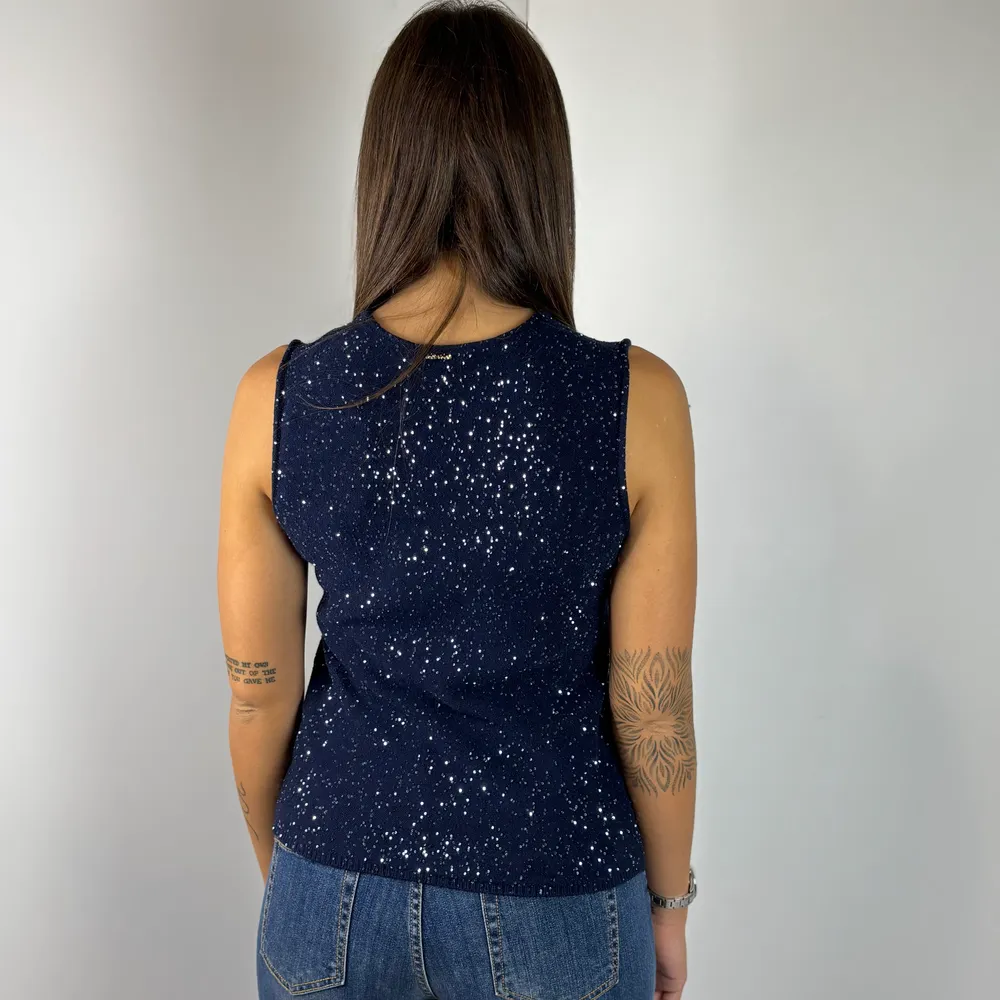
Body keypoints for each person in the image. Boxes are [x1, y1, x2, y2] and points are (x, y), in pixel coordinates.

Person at [216, 2, 698, 998]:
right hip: (560, 890)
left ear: (385, 170)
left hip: (329, 876)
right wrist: (668, 905)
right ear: (540, 172)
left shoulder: (279, 396)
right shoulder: (636, 400)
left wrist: (296, 868)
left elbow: (257, 692)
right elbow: (652, 707)